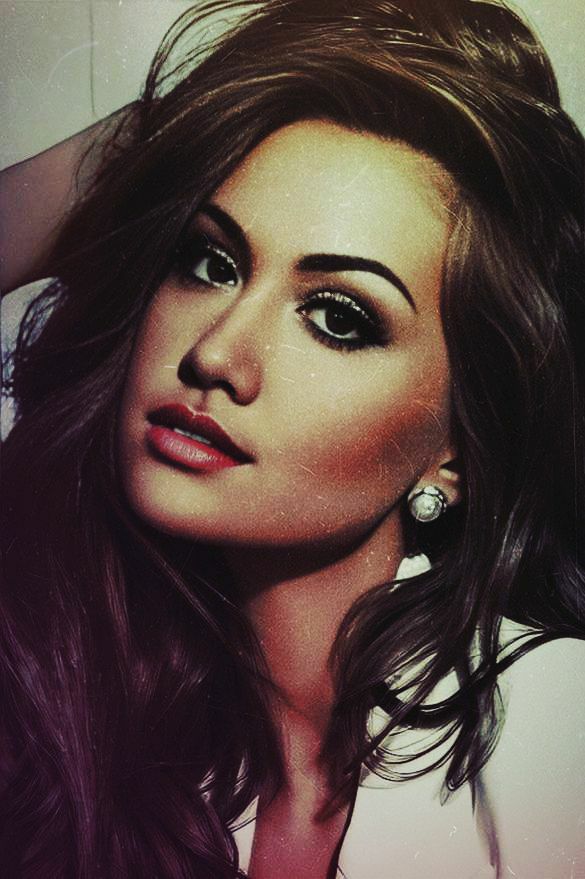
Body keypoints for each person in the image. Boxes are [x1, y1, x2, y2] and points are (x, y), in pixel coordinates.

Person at [1, 1, 584, 876]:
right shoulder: (91, 704)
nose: (215, 353)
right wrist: (145, 145)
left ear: (457, 448)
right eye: (211, 262)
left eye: (338, 318)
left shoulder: (554, 723)